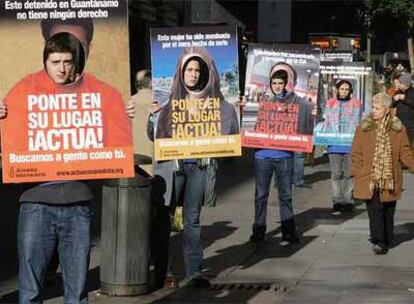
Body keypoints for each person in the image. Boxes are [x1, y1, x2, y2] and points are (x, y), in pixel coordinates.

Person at [1, 18, 134, 304]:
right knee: (30, 292)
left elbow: (118, 145)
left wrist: (133, 112)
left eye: (67, 62)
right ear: (45, 61)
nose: (61, 68)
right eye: (55, 61)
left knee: (76, 294)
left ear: (77, 62)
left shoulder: (105, 95)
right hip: (36, 203)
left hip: (78, 206)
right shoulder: (21, 93)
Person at [250, 65, 307, 245]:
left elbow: (306, 115)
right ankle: (258, 230)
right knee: (260, 195)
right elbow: (250, 121)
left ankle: (288, 231)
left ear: (286, 84)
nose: (276, 86)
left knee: (286, 195)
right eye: (274, 82)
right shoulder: (259, 100)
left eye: (280, 83)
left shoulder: (294, 101)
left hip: (284, 156)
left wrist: (307, 111)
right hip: (262, 155)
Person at [351, 93, 414, 255]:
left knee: (388, 210)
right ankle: (378, 240)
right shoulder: (363, 127)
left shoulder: (398, 129)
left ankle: (386, 237)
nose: (373, 110)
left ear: (386, 110)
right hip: (369, 176)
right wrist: (357, 171)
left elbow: (405, 152)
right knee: (374, 210)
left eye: (377, 108)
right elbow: (356, 152)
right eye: (372, 107)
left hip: (390, 177)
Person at [156, 46, 239, 138]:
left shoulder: (228, 110)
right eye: (189, 69)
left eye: (198, 70)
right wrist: (152, 116)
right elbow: (158, 143)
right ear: (180, 74)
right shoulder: (166, 113)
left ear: (210, 73)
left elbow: (237, 144)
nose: (194, 75)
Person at [325, 80, 362, 214]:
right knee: (336, 174)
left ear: (350, 91)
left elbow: (358, 122)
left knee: (349, 174)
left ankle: (348, 200)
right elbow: (327, 122)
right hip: (334, 144)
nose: (344, 91)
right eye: (342, 89)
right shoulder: (330, 103)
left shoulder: (356, 103)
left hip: (350, 145)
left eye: (347, 89)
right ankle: (337, 200)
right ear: (337, 90)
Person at [392, 72, 414, 146]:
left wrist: (404, 98)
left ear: (406, 84)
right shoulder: (398, 92)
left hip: (409, 126)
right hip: (399, 124)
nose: (398, 85)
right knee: (397, 144)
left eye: (400, 83)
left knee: (406, 145)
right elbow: (392, 104)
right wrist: (395, 99)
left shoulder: (412, 92)